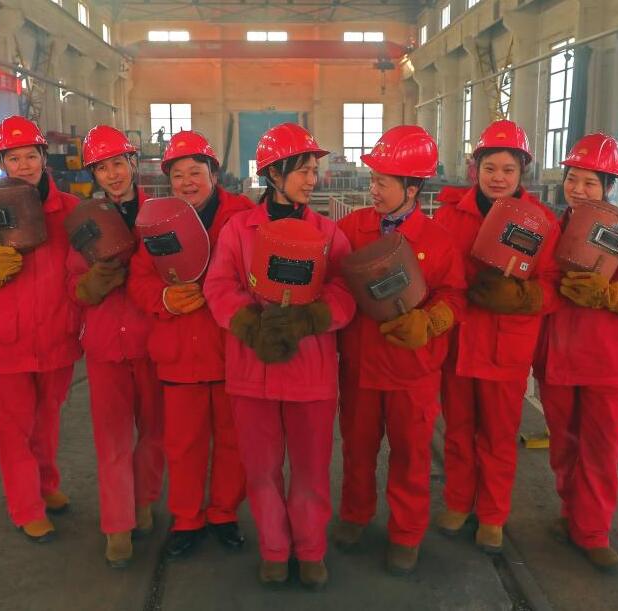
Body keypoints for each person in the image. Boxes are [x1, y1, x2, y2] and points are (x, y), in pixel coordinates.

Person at [203, 123, 355, 590]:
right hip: (253, 371)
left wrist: (313, 319)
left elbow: (344, 291)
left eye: (313, 170)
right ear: (273, 174)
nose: (312, 179)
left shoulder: (329, 233)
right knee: (261, 469)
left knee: (310, 470)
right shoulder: (238, 230)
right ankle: (274, 549)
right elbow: (219, 286)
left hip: (311, 372)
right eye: (302, 170)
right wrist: (249, 325)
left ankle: (309, 550)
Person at [332, 125, 465, 575]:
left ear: (412, 188)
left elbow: (455, 295)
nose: (373, 190)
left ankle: (406, 533)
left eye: (382, 182)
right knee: (357, 448)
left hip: (413, 371)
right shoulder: (351, 229)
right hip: (361, 366)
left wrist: (431, 321)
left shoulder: (438, 240)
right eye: (373, 180)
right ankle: (355, 514)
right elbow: (331, 281)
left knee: (411, 456)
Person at [432, 119, 562, 553]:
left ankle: (492, 515)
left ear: (522, 171)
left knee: (498, 436)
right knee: (457, 430)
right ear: (476, 169)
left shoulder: (542, 222)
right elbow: (436, 272)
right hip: (459, 343)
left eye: (508, 169)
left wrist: (523, 297)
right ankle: (458, 502)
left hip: (506, 346)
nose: (499, 178)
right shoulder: (450, 216)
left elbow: (553, 286)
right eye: (490, 168)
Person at [127, 130, 253, 559]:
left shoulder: (242, 216)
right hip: (179, 351)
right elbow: (139, 280)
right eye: (178, 175)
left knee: (234, 440)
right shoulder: (155, 221)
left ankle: (224, 513)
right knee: (183, 444)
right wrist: (164, 298)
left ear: (214, 174)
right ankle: (187, 518)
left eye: (195, 172)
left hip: (230, 350)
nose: (187, 182)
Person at [534, 133, 618, 575]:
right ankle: (572, 516)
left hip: (606, 362)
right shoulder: (551, 229)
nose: (578, 189)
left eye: (590, 182)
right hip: (557, 358)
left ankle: (594, 533)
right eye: (573, 179)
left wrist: (610, 294)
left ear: (608, 187)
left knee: (600, 451)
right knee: (564, 448)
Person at [0, 115, 81, 542]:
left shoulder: (69, 210)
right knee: (15, 428)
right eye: (14, 158)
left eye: (31, 156)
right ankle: (26, 506)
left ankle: (46, 486)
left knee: (47, 420)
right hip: (5, 340)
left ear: (44, 158)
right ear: (2, 163)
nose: (24, 165)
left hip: (56, 334)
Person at [65, 125, 165, 568]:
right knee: (112, 440)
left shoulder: (158, 214)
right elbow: (71, 283)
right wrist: (90, 284)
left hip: (152, 341)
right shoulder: (85, 223)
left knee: (155, 433)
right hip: (105, 345)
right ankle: (117, 525)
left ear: (132, 164)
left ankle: (143, 502)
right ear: (94, 174)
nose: (113, 174)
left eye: (118, 164)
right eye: (103, 168)